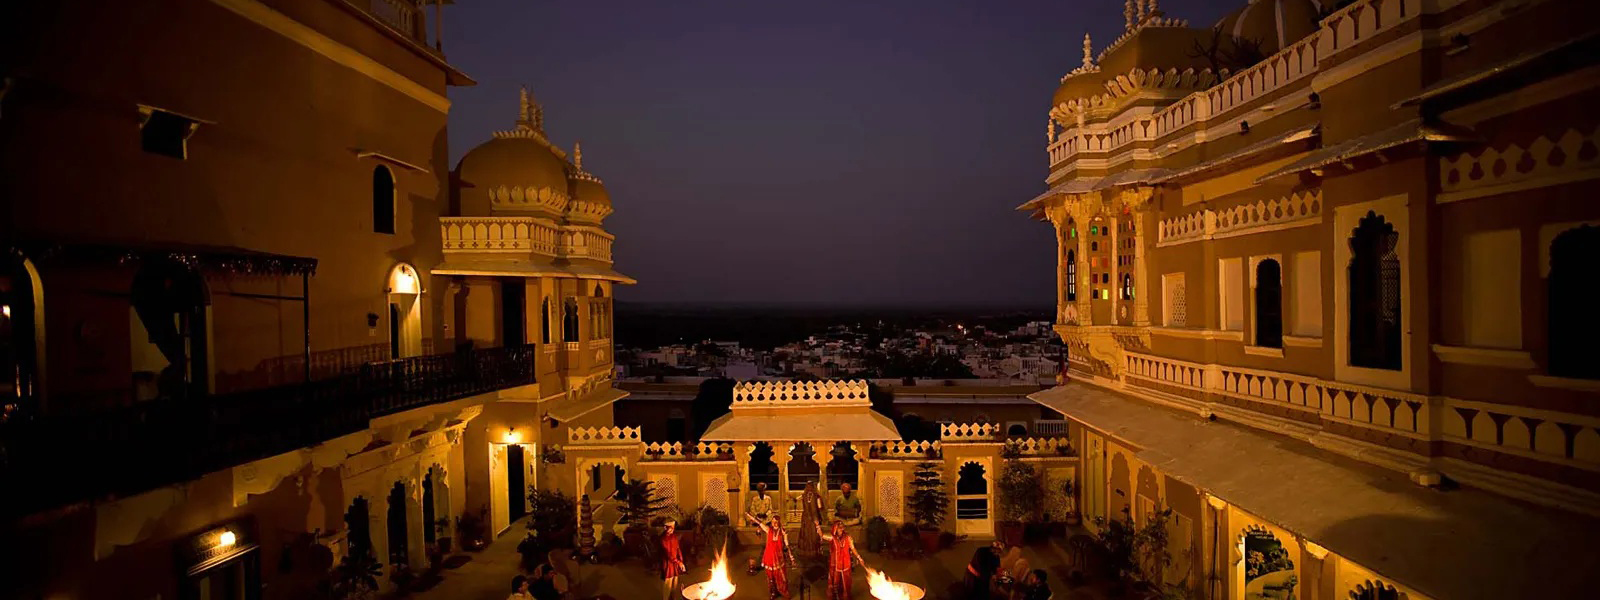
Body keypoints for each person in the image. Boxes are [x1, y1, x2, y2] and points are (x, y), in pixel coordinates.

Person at [747, 512, 793, 599]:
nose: (774, 523)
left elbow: (787, 544)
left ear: (779, 522)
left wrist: (790, 555)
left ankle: (782, 590)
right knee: (770, 576)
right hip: (769, 556)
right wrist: (751, 517)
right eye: (773, 521)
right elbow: (759, 523)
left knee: (780, 575)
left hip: (778, 557)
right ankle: (773, 592)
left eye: (776, 521)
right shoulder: (769, 530)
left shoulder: (783, 531)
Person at [816, 519, 865, 600]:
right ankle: (836, 597)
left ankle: (845, 596)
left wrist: (859, 558)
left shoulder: (848, 537)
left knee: (846, 581)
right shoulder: (832, 538)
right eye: (840, 528)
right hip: (835, 563)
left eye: (842, 527)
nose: (842, 529)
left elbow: (853, 548)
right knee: (835, 581)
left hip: (845, 563)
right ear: (835, 529)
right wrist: (818, 526)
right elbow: (822, 535)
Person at [660, 519, 687, 600]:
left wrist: (681, 561)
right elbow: (668, 554)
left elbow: (678, 548)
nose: (673, 529)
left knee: (674, 585)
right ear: (665, 528)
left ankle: (673, 599)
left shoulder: (674, 537)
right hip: (668, 565)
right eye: (671, 527)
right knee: (667, 586)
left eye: (673, 527)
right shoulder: (663, 539)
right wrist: (679, 562)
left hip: (675, 564)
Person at [798, 481, 825, 560]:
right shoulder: (816, 496)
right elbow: (819, 508)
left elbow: (795, 499)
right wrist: (817, 519)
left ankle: (806, 552)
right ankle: (814, 553)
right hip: (813, 518)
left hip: (805, 518)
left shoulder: (803, 495)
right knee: (813, 535)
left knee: (806, 534)